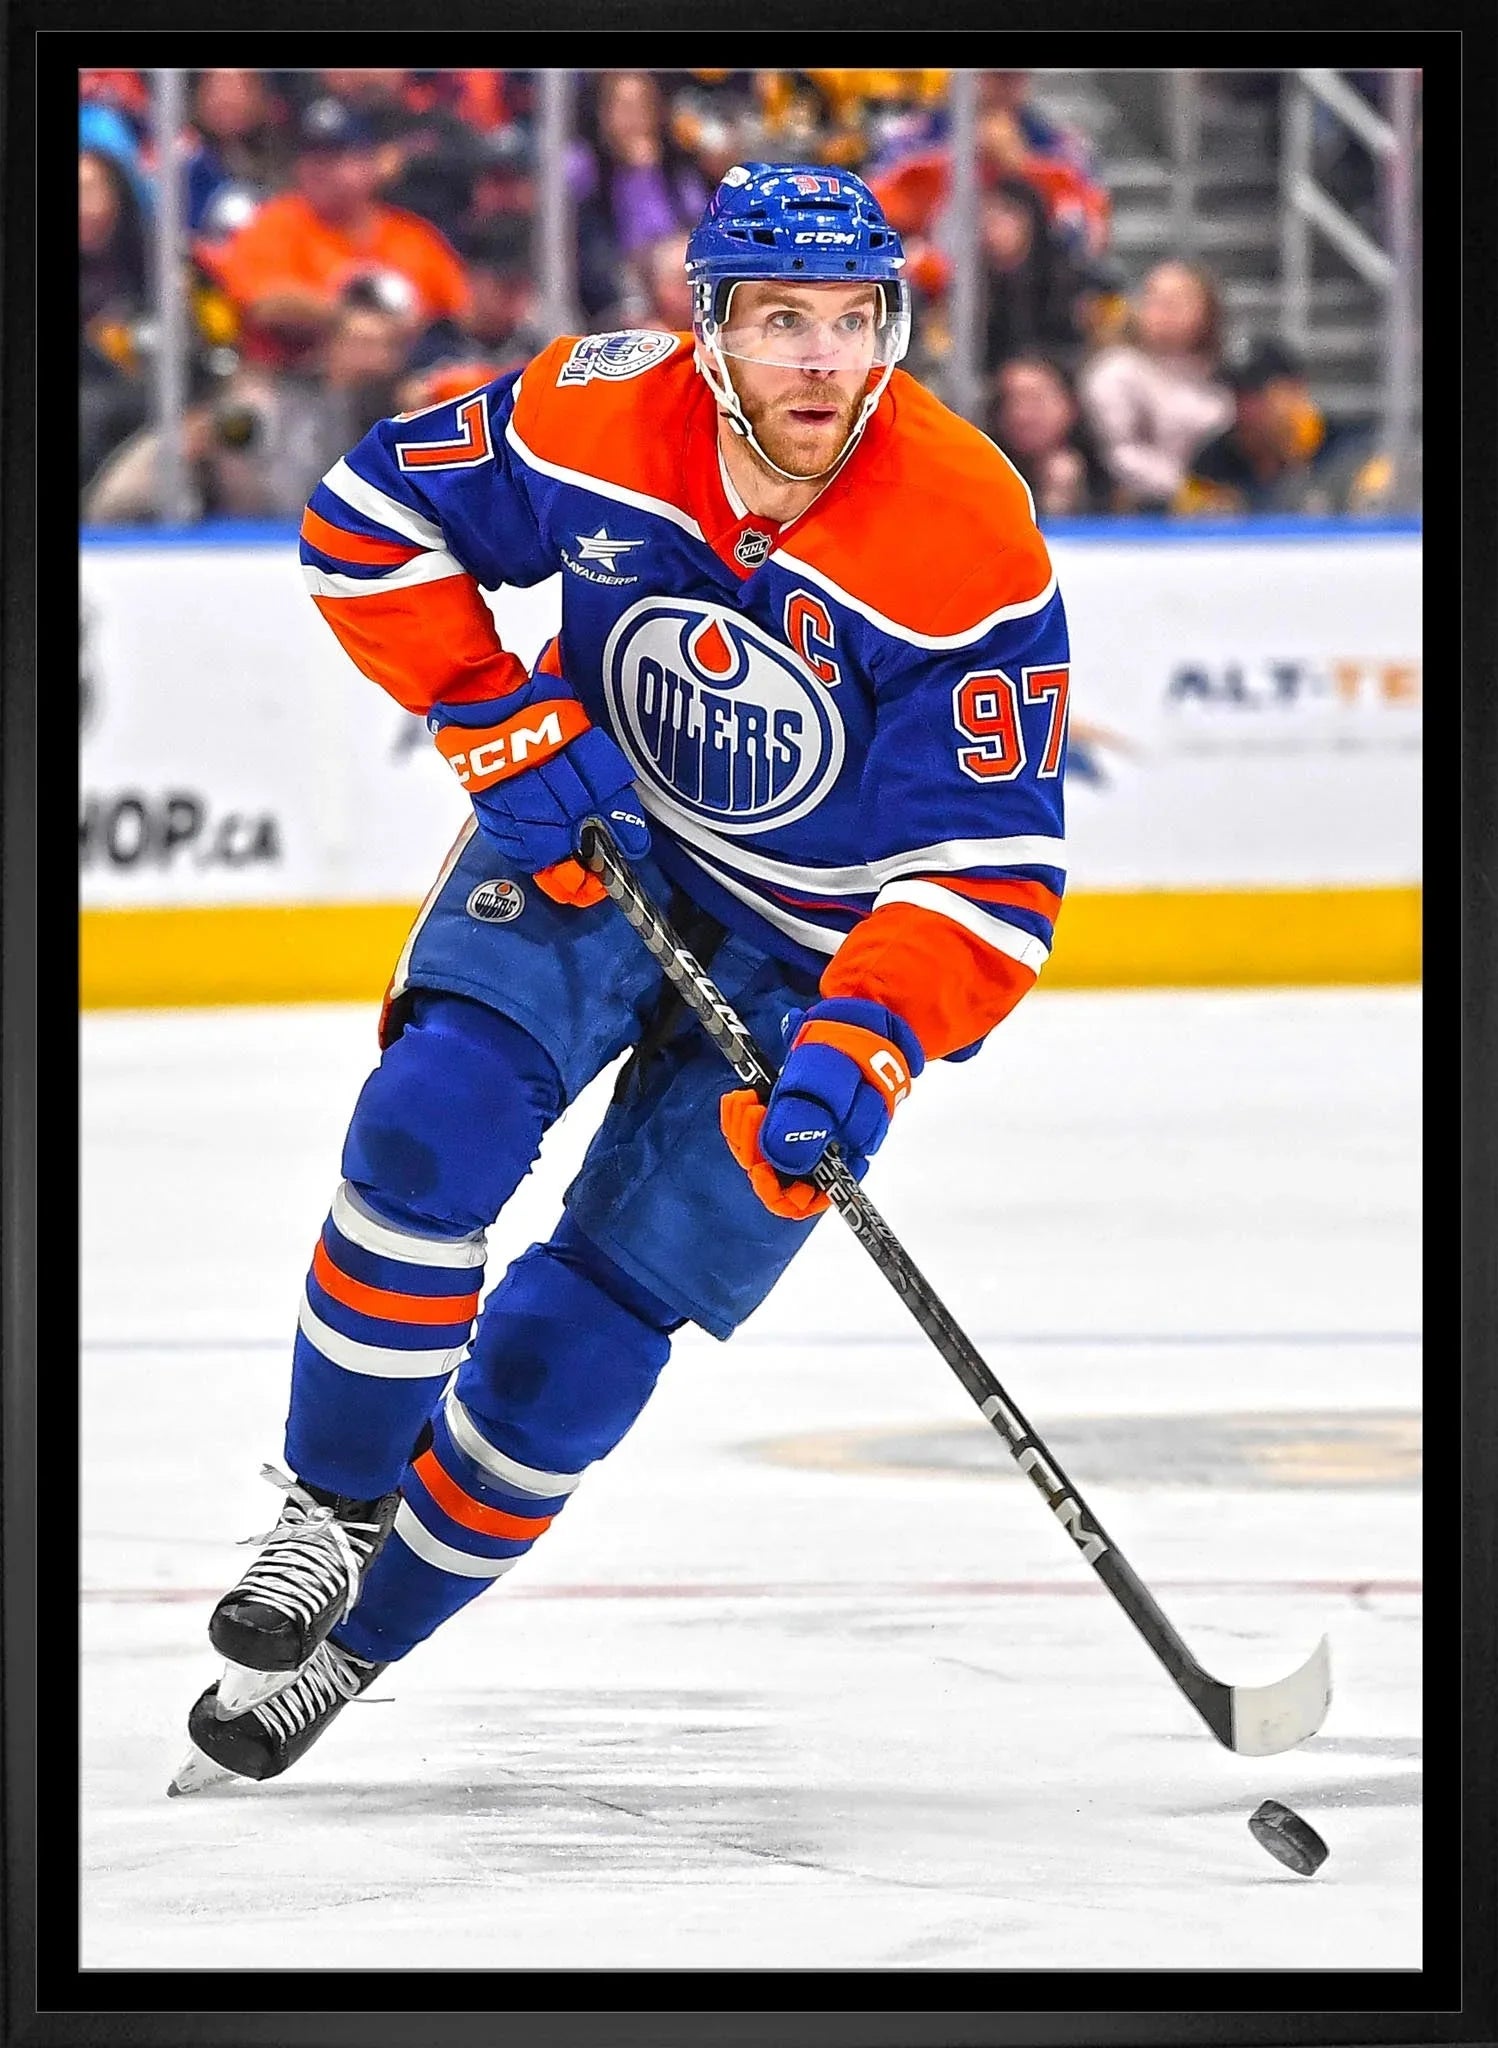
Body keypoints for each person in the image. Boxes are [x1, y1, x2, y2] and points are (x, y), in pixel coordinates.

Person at [170, 162, 1071, 1793]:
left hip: (816, 958)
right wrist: (485, 704)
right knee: (425, 1127)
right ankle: (324, 1510)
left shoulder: (964, 534)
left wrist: (866, 1042)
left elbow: (993, 872)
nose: (818, 358)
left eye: (851, 319)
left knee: (579, 1344)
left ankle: (358, 1646)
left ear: (894, 327)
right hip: (603, 841)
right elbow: (369, 518)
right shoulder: (594, 408)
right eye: (778, 319)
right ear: (706, 331)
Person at [195, 94, 470, 373]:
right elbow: (263, 303)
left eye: (335, 157)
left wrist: (404, 330)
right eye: (311, 157)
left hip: (404, 386)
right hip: (294, 385)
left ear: (371, 165)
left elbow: (464, 313)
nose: (318, 170)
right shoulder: (275, 222)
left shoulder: (411, 236)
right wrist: (354, 319)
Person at [1076, 258, 1234, 512]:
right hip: (1137, 512)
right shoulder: (1116, 370)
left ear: (1206, 310)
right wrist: (1184, 489)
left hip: (1221, 511)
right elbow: (1119, 453)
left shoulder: (1224, 375)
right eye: (1155, 299)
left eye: (1177, 301)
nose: (1164, 310)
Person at [988, 352, 1114, 516]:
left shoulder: (1107, 470)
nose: (1020, 415)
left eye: (1036, 401)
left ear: (1070, 405)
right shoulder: (983, 472)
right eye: (1010, 401)